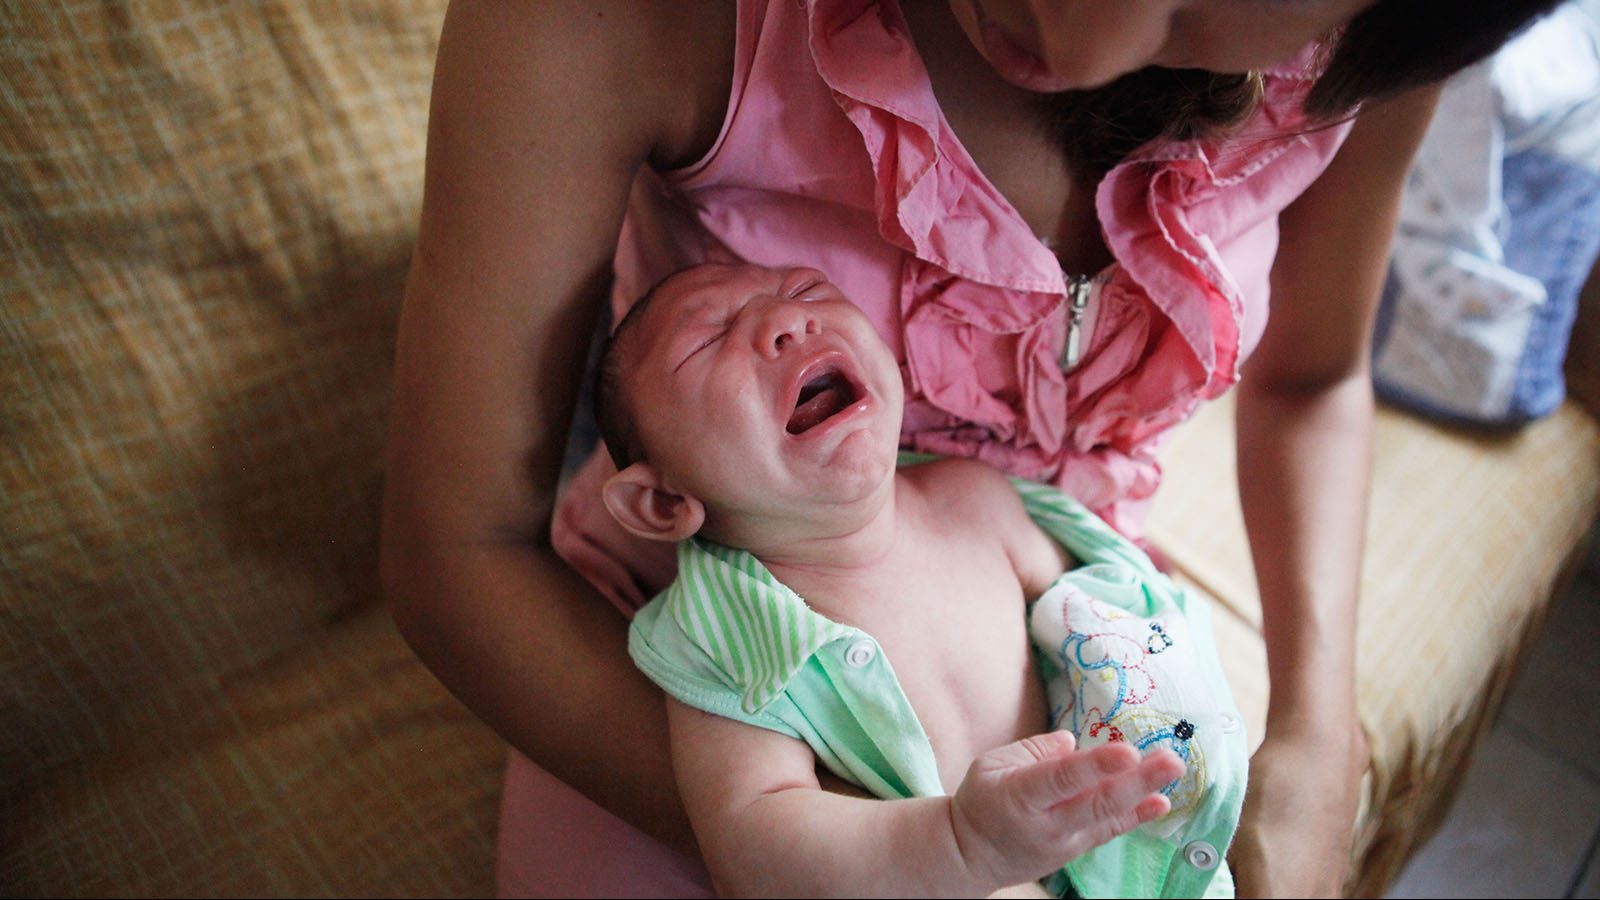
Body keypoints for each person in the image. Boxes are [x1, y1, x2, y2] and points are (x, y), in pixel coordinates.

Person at [379, 1, 1563, 896]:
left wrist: (1317, 729)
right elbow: (458, 553)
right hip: (694, 702)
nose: (1081, 38)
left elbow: (1309, 376)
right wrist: (906, 850)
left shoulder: (1366, 56)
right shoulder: (639, 25)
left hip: (1021, 688)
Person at [594, 260, 1250, 898]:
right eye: (707, 340)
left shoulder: (978, 502)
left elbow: (1119, 618)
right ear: (662, 504)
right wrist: (963, 846)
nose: (788, 318)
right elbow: (754, 848)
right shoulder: (726, 637)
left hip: (1138, 852)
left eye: (807, 288)